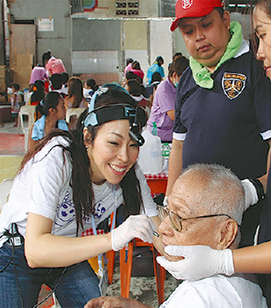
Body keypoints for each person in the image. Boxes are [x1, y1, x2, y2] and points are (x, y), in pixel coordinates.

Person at [158, 0, 271, 307]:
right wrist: (249, 190)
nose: (260, 50)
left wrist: (225, 261)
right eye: (188, 30)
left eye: (262, 35)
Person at [0, 84, 163, 307]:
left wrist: (203, 261)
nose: (124, 156)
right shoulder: (58, 158)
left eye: (133, 144)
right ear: (88, 137)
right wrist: (113, 238)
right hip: (17, 248)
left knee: (94, 304)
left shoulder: (130, 173)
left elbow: (158, 231)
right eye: (113, 143)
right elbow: (35, 250)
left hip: (67, 249)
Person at [165, 0, 271, 247]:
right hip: (195, 221)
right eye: (189, 31)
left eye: (206, 25)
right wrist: (170, 204)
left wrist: (255, 190)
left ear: (226, 19)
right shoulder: (189, 77)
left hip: (247, 217)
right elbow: (178, 146)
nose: (199, 37)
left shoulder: (257, 66)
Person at [85, 164, 267, 308]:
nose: (163, 227)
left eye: (179, 218)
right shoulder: (240, 275)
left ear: (225, 234)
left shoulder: (203, 296)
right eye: (167, 211)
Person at [147, 56, 189, 142]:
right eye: (184, 79)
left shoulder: (179, 88)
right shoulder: (164, 88)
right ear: (174, 75)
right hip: (159, 134)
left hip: (171, 132)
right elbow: (173, 115)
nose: (186, 82)